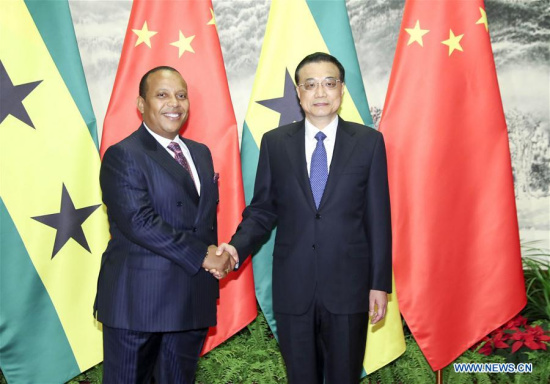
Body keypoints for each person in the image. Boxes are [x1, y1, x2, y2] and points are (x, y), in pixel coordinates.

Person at [217, 52, 392, 383]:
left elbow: (378, 217)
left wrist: (379, 284)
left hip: (350, 288)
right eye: (310, 85)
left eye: (329, 83)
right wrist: (235, 248)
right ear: (298, 93)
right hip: (293, 288)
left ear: (342, 90)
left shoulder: (369, 143)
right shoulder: (275, 143)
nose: (320, 93)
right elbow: (262, 209)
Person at [94, 66, 234, 384]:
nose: (174, 103)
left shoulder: (200, 153)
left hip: (191, 300)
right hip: (139, 304)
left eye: (181, 95)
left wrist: (217, 255)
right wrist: (203, 255)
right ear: (141, 105)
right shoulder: (124, 155)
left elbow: (201, 221)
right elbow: (139, 222)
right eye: (162, 94)